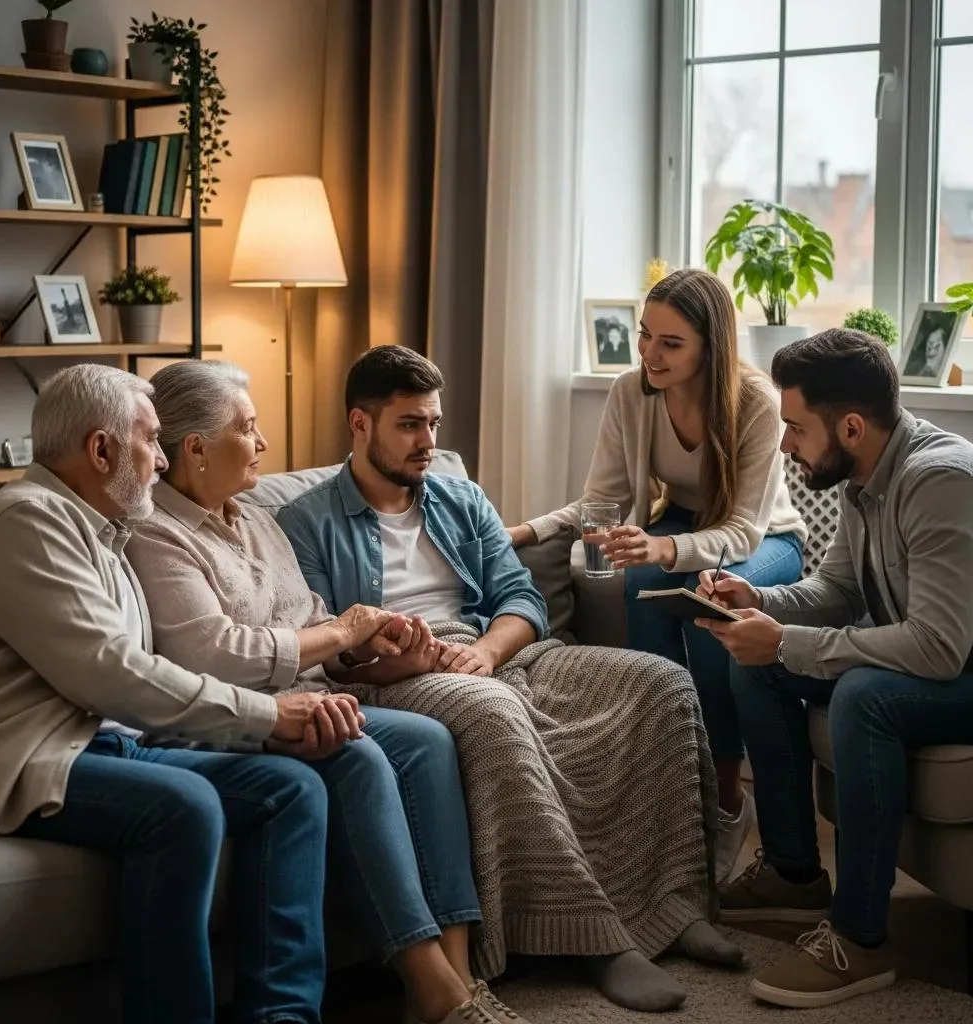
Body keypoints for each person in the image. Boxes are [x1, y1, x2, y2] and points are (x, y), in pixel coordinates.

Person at [275, 343, 748, 1015]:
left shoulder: (459, 496)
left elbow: (521, 598)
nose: (428, 442)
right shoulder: (306, 522)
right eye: (410, 424)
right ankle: (596, 937)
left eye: (434, 424)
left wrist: (491, 652)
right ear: (360, 424)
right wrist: (401, 658)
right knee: (493, 719)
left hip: (496, 654)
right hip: (396, 678)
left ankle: (674, 906)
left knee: (659, 683)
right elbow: (321, 647)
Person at [126, 361, 528, 1024]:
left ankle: (458, 974)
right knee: (357, 755)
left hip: (314, 694)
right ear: (193, 448)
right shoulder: (156, 535)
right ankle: (429, 983)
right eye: (248, 430)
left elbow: (310, 618)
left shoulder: (254, 518)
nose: (262, 446)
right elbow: (215, 653)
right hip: (228, 714)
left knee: (429, 739)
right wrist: (342, 631)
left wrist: (371, 651)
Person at [0, 364, 345, 1024]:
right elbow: (114, 673)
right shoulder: (25, 521)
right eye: (151, 440)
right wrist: (268, 713)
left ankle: (283, 1018)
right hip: (37, 756)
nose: (162, 460)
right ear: (100, 450)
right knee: (183, 806)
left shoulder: (107, 530)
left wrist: (262, 728)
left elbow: (141, 678)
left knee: (292, 789)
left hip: (112, 743)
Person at [692, 328, 973, 1008]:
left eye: (796, 428)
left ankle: (861, 940)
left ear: (849, 425)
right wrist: (760, 601)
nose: (787, 445)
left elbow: (938, 648)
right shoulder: (863, 471)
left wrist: (785, 641)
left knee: (864, 695)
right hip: (950, 666)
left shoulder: (942, 484)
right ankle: (792, 872)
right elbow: (837, 592)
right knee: (755, 663)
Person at [510, 268, 807, 884]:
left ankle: (726, 805)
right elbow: (604, 502)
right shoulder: (630, 391)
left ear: (711, 348)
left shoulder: (757, 404)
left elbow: (743, 534)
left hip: (764, 538)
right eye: (646, 336)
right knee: (638, 587)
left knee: (705, 606)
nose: (648, 353)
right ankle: (673, 800)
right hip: (679, 526)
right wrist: (527, 532)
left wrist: (663, 551)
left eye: (670, 343)